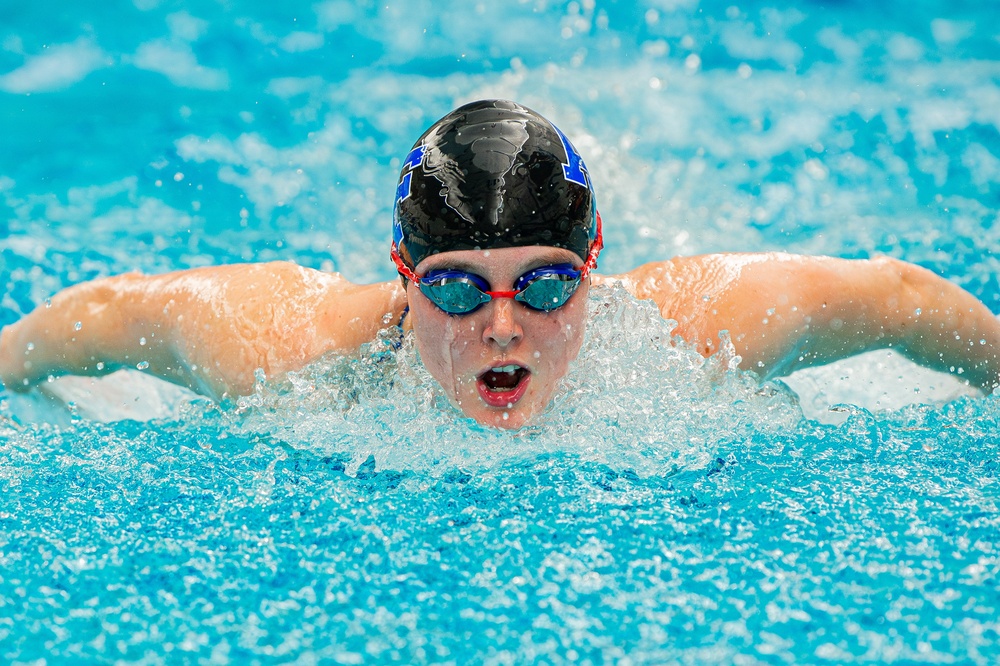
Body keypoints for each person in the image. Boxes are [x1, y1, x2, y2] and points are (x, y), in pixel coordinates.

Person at [1, 99, 998, 429]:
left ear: (595, 261)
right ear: (400, 271)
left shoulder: (698, 328)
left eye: (549, 283)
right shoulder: (285, 348)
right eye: (454, 290)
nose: (504, 326)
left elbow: (897, 297)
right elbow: (111, 312)